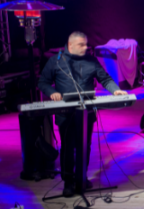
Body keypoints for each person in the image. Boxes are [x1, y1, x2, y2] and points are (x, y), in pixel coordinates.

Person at [37, 32, 127, 198]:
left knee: (84, 146)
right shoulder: (56, 61)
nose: (86, 48)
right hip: (65, 114)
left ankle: (81, 178)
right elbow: (43, 82)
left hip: (86, 113)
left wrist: (115, 90)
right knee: (67, 147)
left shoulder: (91, 61)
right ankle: (68, 182)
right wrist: (52, 92)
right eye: (81, 45)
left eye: (86, 44)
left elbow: (105, 79)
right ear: (70, 45)